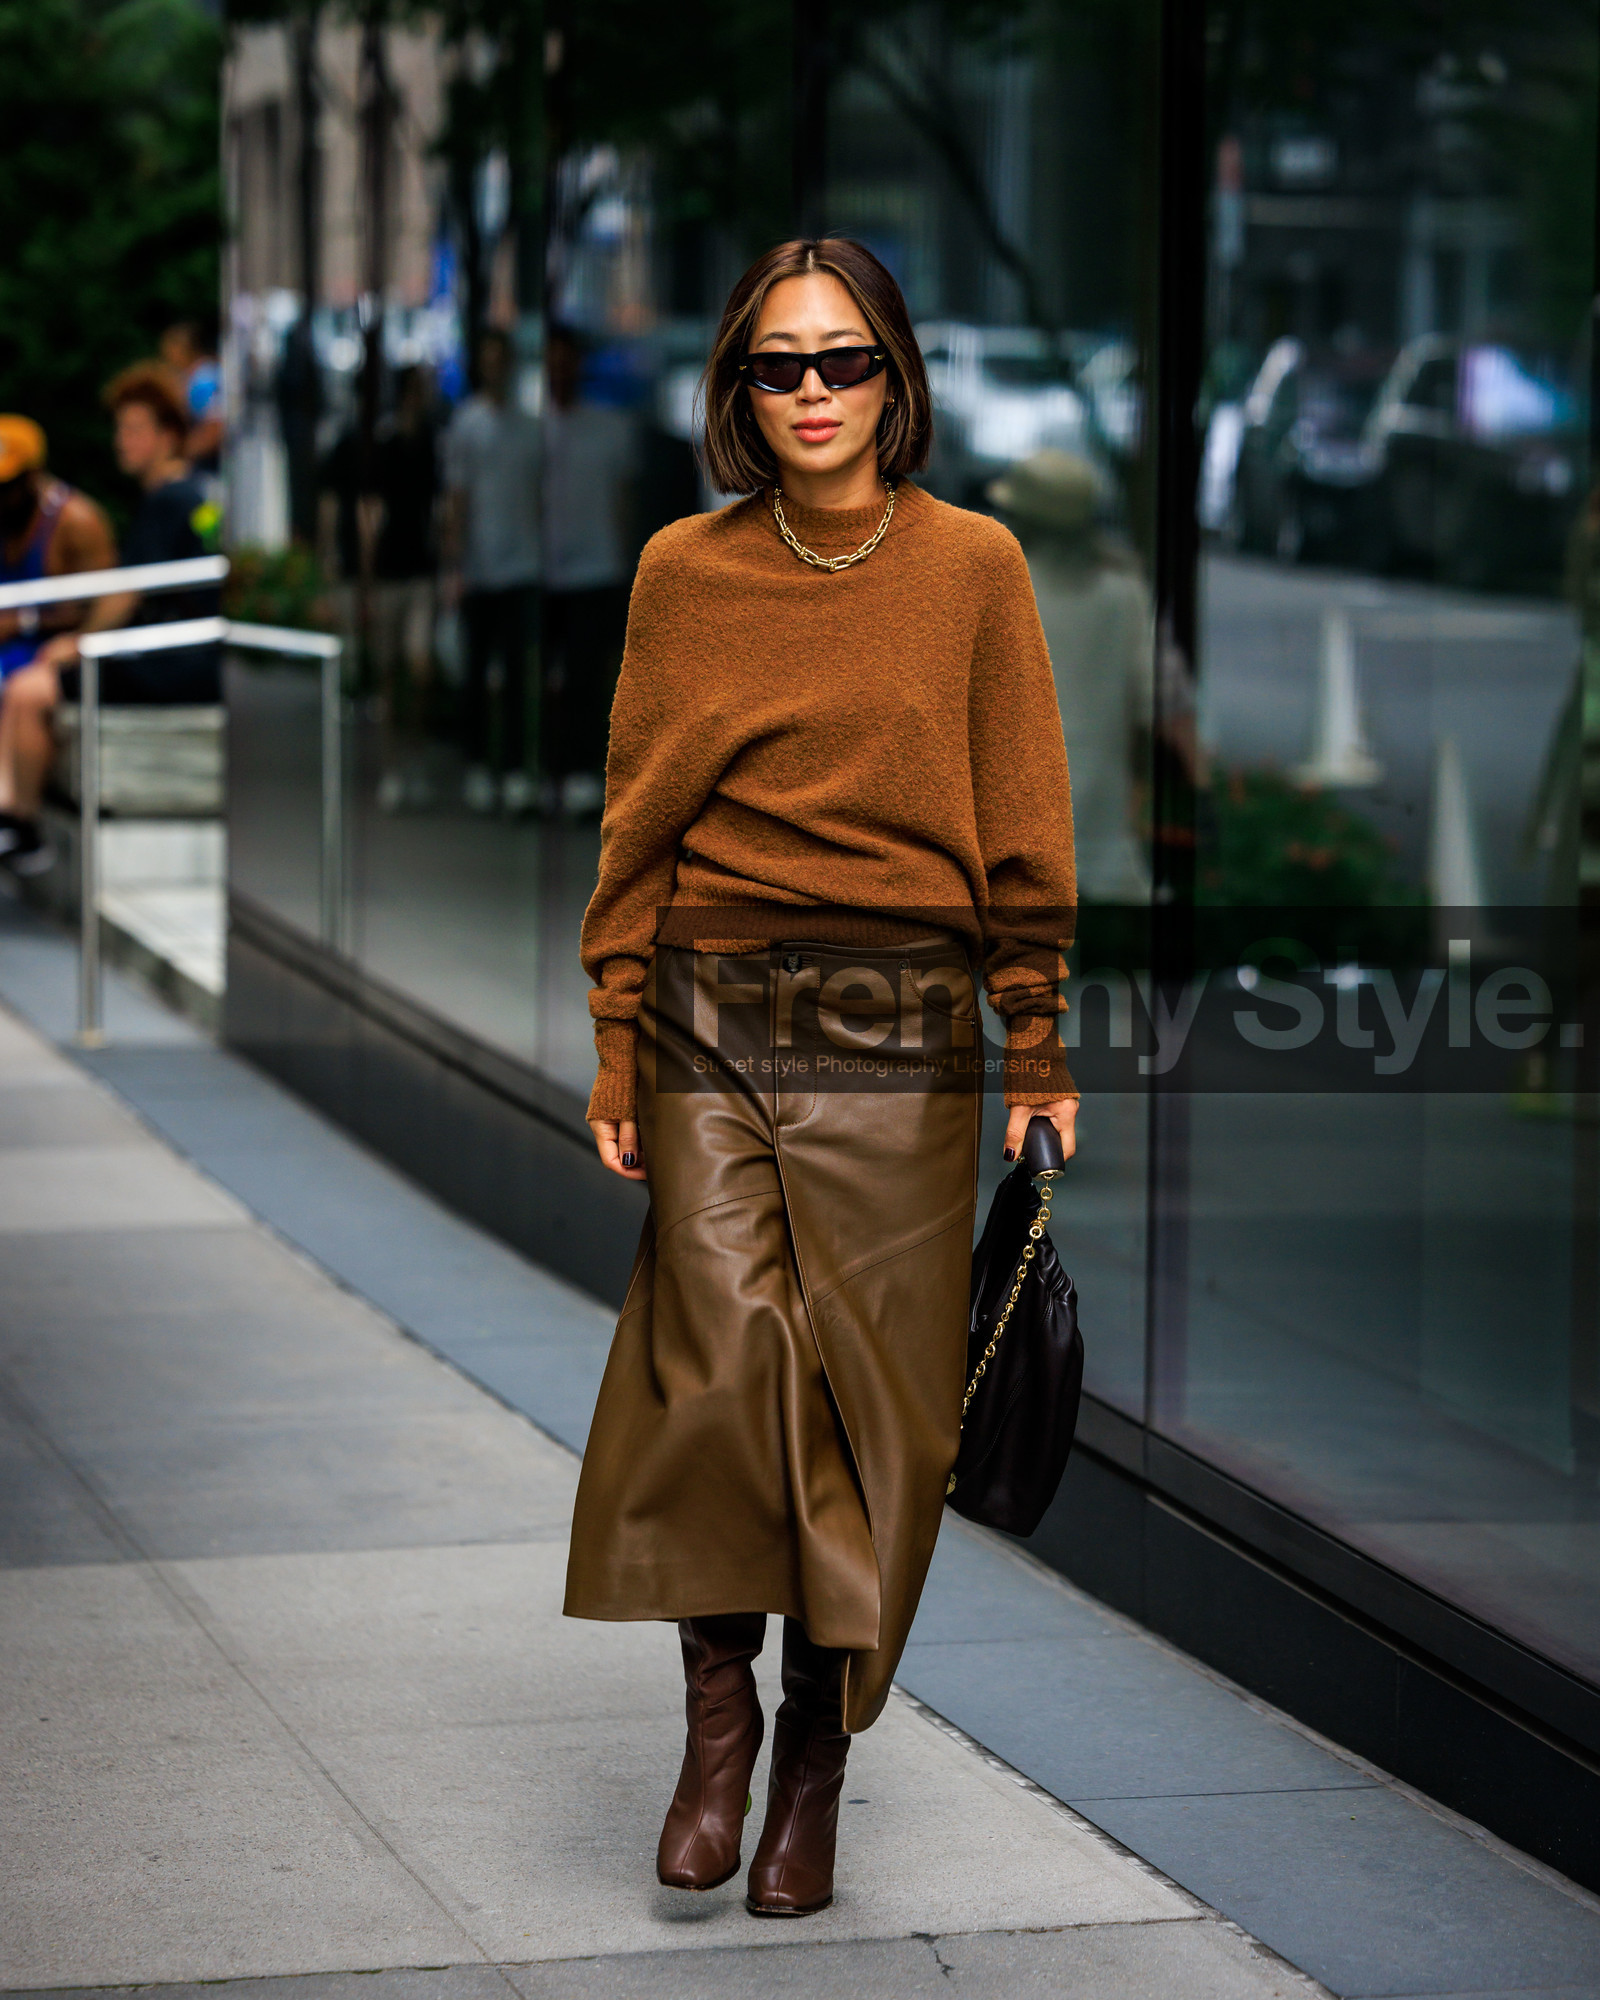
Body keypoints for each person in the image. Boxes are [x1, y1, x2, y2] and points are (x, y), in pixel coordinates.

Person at [565, 240, 1078, 1916]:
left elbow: (1024, 821)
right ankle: (717, 1730)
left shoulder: (978, 570)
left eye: (842, 362)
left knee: (870, 1415)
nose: (809, 393)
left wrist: (1038, 1037)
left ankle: (814, 1761)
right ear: (736, 388)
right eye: (777, 366)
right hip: (714, 1006)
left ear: (898, 380)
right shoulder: (682, 572)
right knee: (718, 1375)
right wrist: (617, 1032)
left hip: (905, 1032)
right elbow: (635, 822)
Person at [0, 367, 220, 873]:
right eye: (120, 428)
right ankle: (12, 813)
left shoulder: (169, 499)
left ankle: (21, 823)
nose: (121, 441)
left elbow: (124, 593)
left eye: (134, 429)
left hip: (177, 660)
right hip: (180, 653)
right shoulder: (191, 493)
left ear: (168, 436)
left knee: (31, 689)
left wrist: (81, 644)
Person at [443, 327, 541, 815]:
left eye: (501, 358)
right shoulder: (466, 425)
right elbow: (456, 500)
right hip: (480, 568)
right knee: (478, 674)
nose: (495, 367)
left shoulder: (531, 427)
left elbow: (544, 498)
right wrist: (455, 564)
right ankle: (482, 768)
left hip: (524, 565)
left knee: (519, 675)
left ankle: (519, 772)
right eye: (489, 359)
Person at [540, 325, 634, 818]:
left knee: (585, 678)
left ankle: (579, 775)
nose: (560, 371)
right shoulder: (532, 429)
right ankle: (545, 773)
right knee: (543, 678)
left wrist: (623, 567)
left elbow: (623, 503)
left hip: (595, 571)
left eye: (567, 360)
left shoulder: (609, 429)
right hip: (539, 572)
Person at [0, 416, 117, 685]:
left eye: (7, 485)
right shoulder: (6, 517)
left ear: (34, 473)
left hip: (45, 664)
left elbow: (105, 605)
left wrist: (23, 622)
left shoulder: (77, 521)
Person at [159, 320, 224, 472]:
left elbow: (216, 428)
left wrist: (179, 454)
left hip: (211, 465)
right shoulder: (198, 375)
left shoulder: (203, 380)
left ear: (181, 349)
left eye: (169, 348)